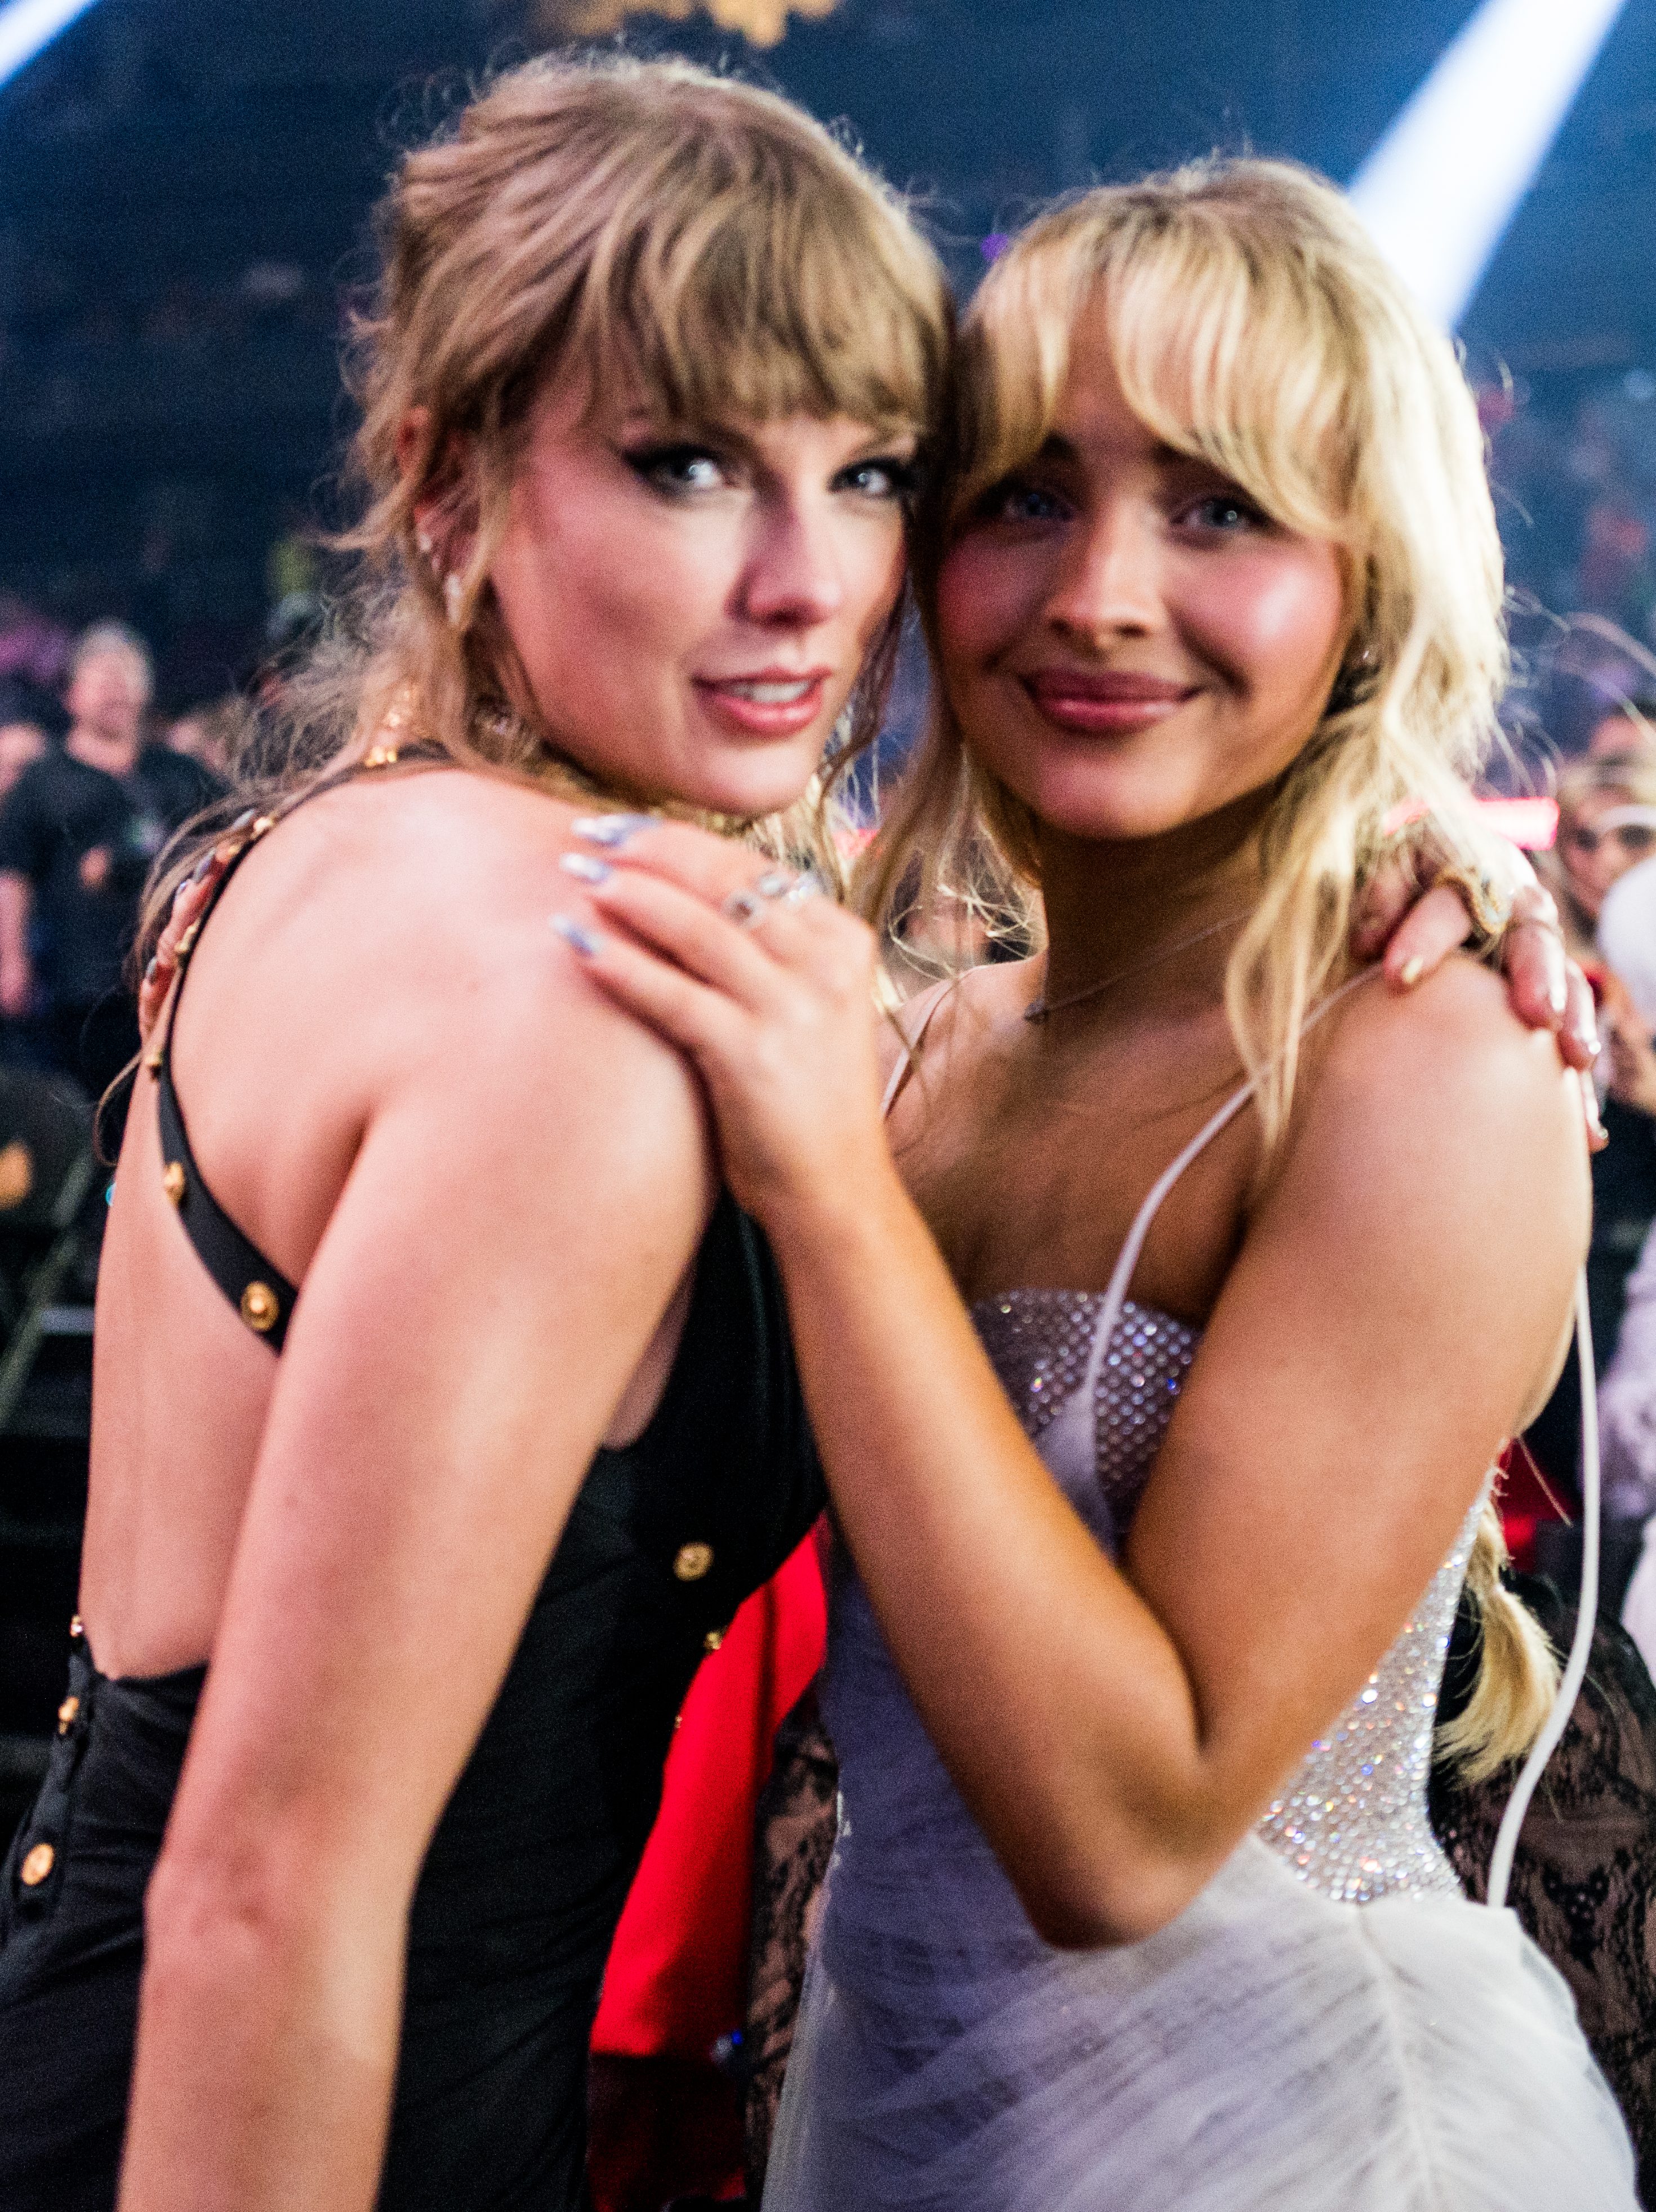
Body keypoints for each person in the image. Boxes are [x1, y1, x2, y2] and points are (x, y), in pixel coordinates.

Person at [558, 161, 1641, 2206]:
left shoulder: (1429, 1050)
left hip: (1301, 2148)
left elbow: (1124, 1840)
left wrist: (830, 1194)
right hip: (893, 2107)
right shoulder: (955, 967)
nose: (1098, 591)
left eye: (1218, 505)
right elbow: (933, 915)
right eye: (1025, 495)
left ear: (1366, 580)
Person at [0, 55, 951, 2212]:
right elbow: (274, 1884)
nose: (809, 579)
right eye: (692, 463)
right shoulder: (576, 1004)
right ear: (443, 486)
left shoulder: (296, 848)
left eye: (871, 470)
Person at [0, 624, 219, 1101]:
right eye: (102, 677)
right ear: (72, 694)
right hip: (87, 992)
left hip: (183, 981)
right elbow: (12, 874)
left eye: (128, 675)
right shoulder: (41, 783)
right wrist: (10, 959)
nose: (116, 687)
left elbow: (238, 830)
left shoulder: (180, 773)